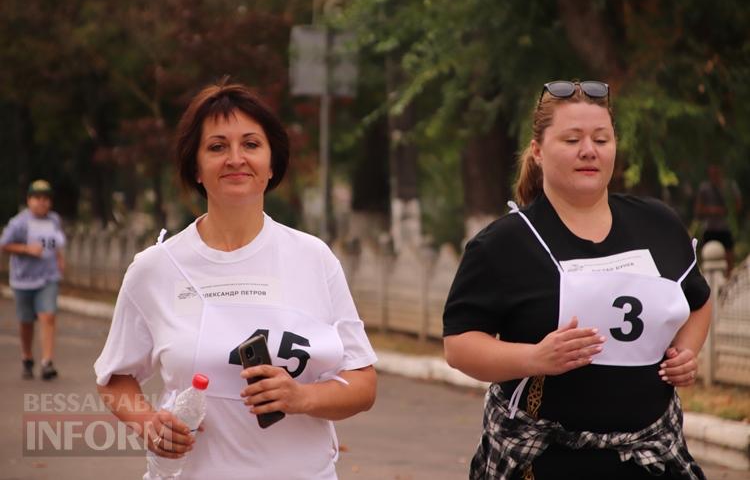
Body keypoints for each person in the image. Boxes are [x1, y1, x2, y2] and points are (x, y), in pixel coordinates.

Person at [94, 80, 378, 479]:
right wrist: (147, 423)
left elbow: (362, 383)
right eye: (216, 147)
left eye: (250, 144)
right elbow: (115, 378)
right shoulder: (155, 267)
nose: (235, 158)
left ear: (272, 163)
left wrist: (302, 397)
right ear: (195, 166)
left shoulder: (314, 258)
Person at [443, 81, 711, 480]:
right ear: (537, 150)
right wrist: (534, 358)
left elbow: (699, 302)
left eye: (601, 138)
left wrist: (684, 354)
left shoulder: (657, 223)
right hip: (544, 460)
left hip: (651, 455)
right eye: (572, 139)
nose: (589, 151)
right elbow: (459, 345)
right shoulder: (504, 244)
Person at [1, 179, 65, 380]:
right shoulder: (19, 223)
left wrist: (60, 259)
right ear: (29, 200)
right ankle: (27, 357)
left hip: (48, 277)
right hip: (24, 280)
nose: (42, 202)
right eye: (37, 198)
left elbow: (56, 244)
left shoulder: (54, 220)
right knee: (26, 321)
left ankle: (47, 362)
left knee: (48, 316)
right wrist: (26, 249)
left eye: (46, 198)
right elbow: (4, 245)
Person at [694, 164, 742, 273]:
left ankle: (729, 278)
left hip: (725, 228)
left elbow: (738, 205)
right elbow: (698, 209)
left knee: (729, 257)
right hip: (709, 228)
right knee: (708, 255)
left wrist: (726, 210)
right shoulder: (704, 188)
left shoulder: (729, 186)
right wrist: (712, 210)